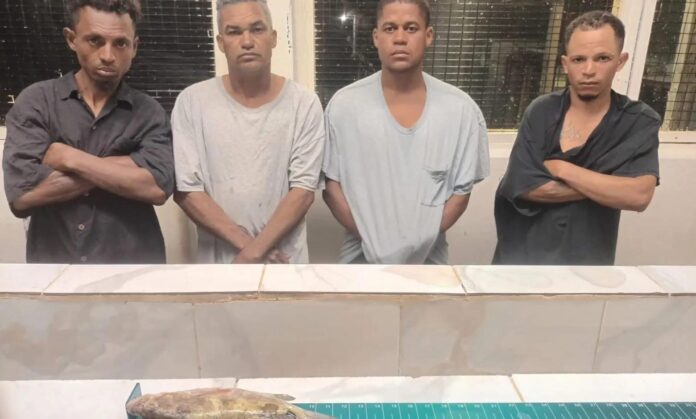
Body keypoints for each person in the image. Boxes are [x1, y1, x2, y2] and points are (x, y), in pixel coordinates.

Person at [3, 0, 174, 264]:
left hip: (133, 267)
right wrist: (127, 166)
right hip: (54, 265)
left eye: (120, 43)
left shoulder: (149, 111)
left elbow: (157, 188)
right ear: (71, 39)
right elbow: (23, 195)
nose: (108, 55)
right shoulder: (37, 102)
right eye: (95, 40)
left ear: (134, 47)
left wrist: (70, 158)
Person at [322, 0, 489, 264]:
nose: (399, 38)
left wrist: (416, 243)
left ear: (429, 35)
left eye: (411, 28)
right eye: (390, 28)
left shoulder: (460, 110)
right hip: (360, 265)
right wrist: (375, 241)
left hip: (429, 266)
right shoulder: (344, 106)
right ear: (376, 37)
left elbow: (461, 192)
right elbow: (331, 187)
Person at [493, 10, 660, 265]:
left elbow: (638, 197)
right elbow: (523, 186)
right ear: (565, 63)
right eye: (579, 59)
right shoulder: (542, 111)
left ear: (621, 61)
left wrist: (562, 168)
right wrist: (609, 184)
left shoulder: (637, 121)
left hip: (588, 264)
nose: (589, 70)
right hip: (521, 259)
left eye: (602, 58)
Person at [172, 0, 324, 264]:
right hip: (219, 269)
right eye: (234, 32)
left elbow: (303, 192)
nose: (247, 41)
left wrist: (251, 254)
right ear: (221, 43)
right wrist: (252, 250)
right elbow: (187, 191)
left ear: (273, 38)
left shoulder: (304, 104)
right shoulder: (192, 102)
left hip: (286, 267)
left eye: (257, 29)